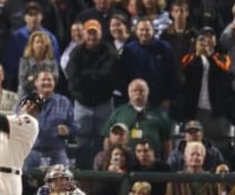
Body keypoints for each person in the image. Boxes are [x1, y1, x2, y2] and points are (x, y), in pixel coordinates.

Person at [65, 19, 120, 169]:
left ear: (100, 34)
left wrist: (85, 75)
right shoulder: (76, 52)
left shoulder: (109, 51)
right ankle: (83, 174)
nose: (91, 37)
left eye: (94, 33)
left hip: (104, 103)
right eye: (89, 33)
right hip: (82, 104)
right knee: (82, 141)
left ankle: (103, 173)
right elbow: (73, 78)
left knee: (104, 140)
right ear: (84, 34)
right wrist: (95, 76)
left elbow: (107, 76)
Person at [180, 26, 232, 151]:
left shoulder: (223, 57)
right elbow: (186, 73)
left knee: (219, 144)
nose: (207, 40)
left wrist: (209, 55)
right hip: (195, 109)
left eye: (210, 36)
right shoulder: (189, 58)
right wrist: (198, 55)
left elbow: (223, 70)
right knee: (194, 145)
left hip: (216, 110)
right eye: (203, 38)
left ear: (215, 40)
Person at [101, 79, 173, 160]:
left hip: (152, 162)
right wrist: (107, 157)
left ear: (147, 92)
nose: (138, 93)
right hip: (125, 161)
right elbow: (107, 137)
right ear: (129, 93)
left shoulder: (159, 114)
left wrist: (167, 162)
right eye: (134, 90)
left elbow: (167, 142)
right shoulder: (118, 113)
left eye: (141, 90)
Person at [23, 70, 76, 171]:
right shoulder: (26, 101)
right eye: (43, 79)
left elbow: (75, 127)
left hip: (57, 153)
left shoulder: (64, 102)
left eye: (49, 80)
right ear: (36, 82)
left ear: (54, 83)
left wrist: (68, 131)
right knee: (25, 183)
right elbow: (15, 124)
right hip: (31, 152)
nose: (46, 82)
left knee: (61, 183)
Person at [18, 31, 59, 97]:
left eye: (42, 42)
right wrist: (44, 79)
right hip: (27, 95)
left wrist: (33, 78)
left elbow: (54, 81)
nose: (40, 45)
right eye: (37, 42)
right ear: (32, 45)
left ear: (46, 45)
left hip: (47, 95)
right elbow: (23, 83)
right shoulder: (24, 61)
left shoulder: (52, 62)